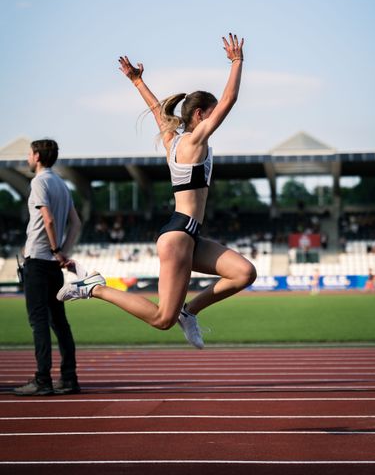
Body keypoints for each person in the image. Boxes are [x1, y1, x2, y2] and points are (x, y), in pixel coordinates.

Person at [57, 33, 257, 349]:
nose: (217, 117)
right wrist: (237, 61)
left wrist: (137, 81)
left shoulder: (172, 140)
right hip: (178, 236)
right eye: (212, 112)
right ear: (201, 114)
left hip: (190, 235)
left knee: (244, 273)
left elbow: (156, 110)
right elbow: (229, 100)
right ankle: (96, 288)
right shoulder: (192, 141)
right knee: (163, 319)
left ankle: (189, 313)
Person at [13, 139, 82, 396]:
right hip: (53, 264)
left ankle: (42, 379)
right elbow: (76, 223)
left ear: (37, 156)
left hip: (40, 261)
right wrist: (64, 253)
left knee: (38, 321)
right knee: (59, 322)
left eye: (29, 154)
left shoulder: (39, 182)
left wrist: (55, 250)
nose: (28, 159)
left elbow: (48, 218)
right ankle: (69, 377)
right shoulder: (62, 185)